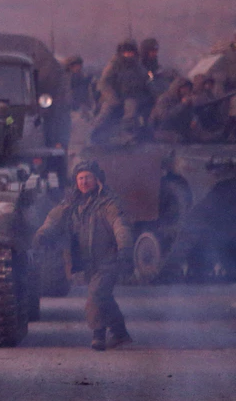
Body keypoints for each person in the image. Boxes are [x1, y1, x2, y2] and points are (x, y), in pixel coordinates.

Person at [35, 160, 134, 351]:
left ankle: (98, 335)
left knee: (96, 295)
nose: (84, 182)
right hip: (88, 262)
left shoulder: (108, 203)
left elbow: (120, 226)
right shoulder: (72, 203)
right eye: (80, 178)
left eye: (88, 177)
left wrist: (125, 250)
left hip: (109, 259)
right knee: (104, 297)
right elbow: (54, 219)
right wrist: (43, 234)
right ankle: (120, 333)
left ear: (97, 179)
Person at [91, 39, 153, 144]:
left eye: (130, 52)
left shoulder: (137, 66)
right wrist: (112, 98)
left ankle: (128, 134)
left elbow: (146, 79)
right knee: (105, 112)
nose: (128, 55)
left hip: (131, 95)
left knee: (131, 111)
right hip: (113, 96)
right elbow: (104, 83)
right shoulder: (114, 65)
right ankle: (94, 133)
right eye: (126, 52)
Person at [150, 77, 194, 143]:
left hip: (179, 127)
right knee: (180, 139)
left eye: (188, 88)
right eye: (185, 88)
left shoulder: (184, 99)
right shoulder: (165, 98)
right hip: (162, 128)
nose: (187, 91)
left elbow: (190, 114)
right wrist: (182, 105)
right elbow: (164, 116)